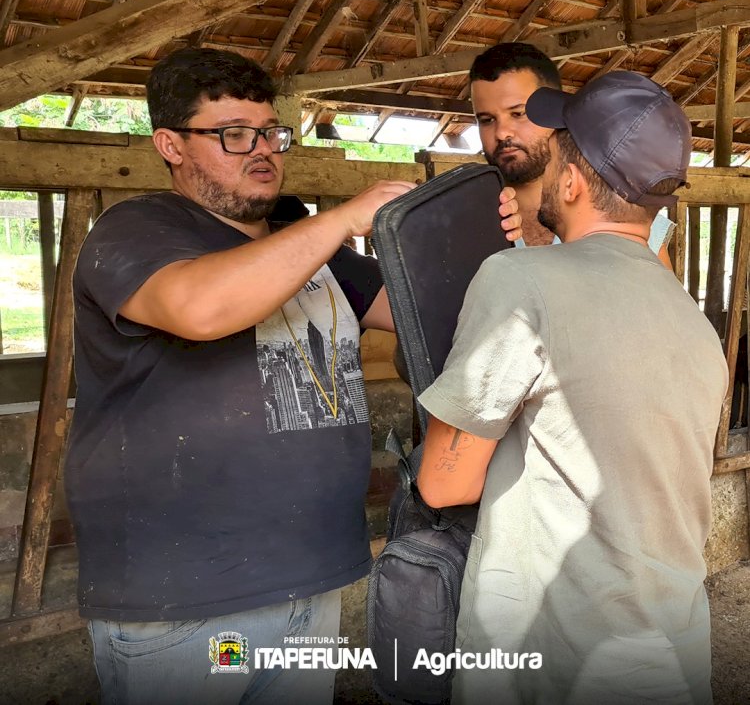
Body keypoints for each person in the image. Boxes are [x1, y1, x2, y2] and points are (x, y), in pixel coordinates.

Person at [64, 47, 521, 705]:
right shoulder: (136, 230)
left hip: (311, 580)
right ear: (170, 145)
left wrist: (494, 234)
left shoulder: (316, 254)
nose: (262, 150)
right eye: (232, 135)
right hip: (190, 601)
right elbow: (200, 308)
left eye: (271, 134)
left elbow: (442, 310)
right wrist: (339, 220)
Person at [416, 71, 727, 704]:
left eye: (557, 144)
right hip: (671, 646)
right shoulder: (693, 322)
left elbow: (444, 483)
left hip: (556, 655)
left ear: (572, 180)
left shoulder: (519, 283)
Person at [470, 42, 675, 267]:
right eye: (487, 120)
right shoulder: (467, 224)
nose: (501, 133)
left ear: (553, 113)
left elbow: (663, 301)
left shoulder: (629, 222)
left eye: (518, 113)